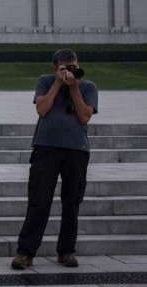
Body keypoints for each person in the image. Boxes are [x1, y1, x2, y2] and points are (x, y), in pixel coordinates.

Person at [11, 49, 98, 270]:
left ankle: (66, 251)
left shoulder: (88, 86)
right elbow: (42, 109)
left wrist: (74, 87)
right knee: (39, 201)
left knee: (72, 202)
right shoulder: (45, 81)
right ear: (55, 68)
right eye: (65, 68)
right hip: (46, 148)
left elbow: (84, 116)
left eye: (73, 67)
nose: (70, 72)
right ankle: (26, 253)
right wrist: (58, 84)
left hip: (76, 150)